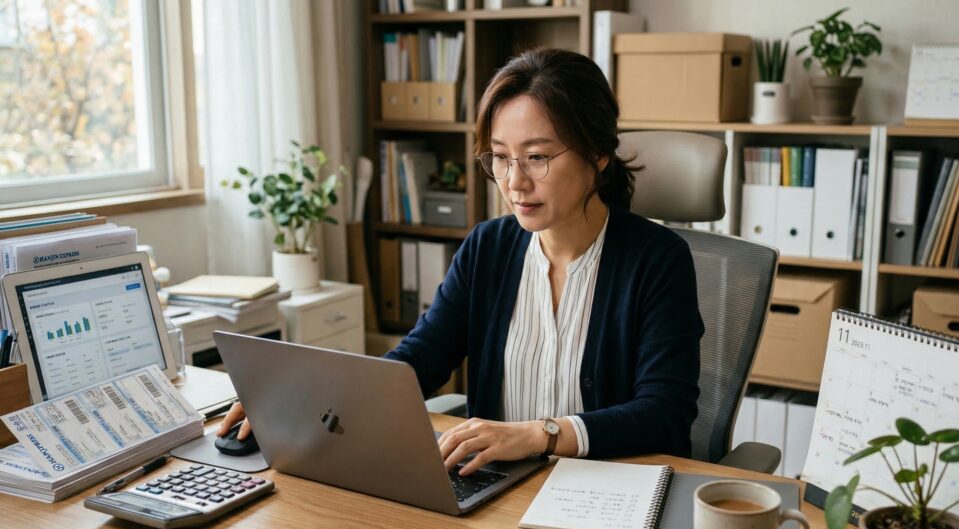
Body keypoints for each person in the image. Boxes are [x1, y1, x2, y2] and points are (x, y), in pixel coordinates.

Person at [219, 48, 704, 476]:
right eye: (500, 157)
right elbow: (416, 363)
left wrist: (539, 434)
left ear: (598, 154)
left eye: (537, 157)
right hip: (498, 489)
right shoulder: (487, 248)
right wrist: (304, 401)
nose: (514, 182)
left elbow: (665, 413)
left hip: (608, 494)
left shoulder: (658, 260)